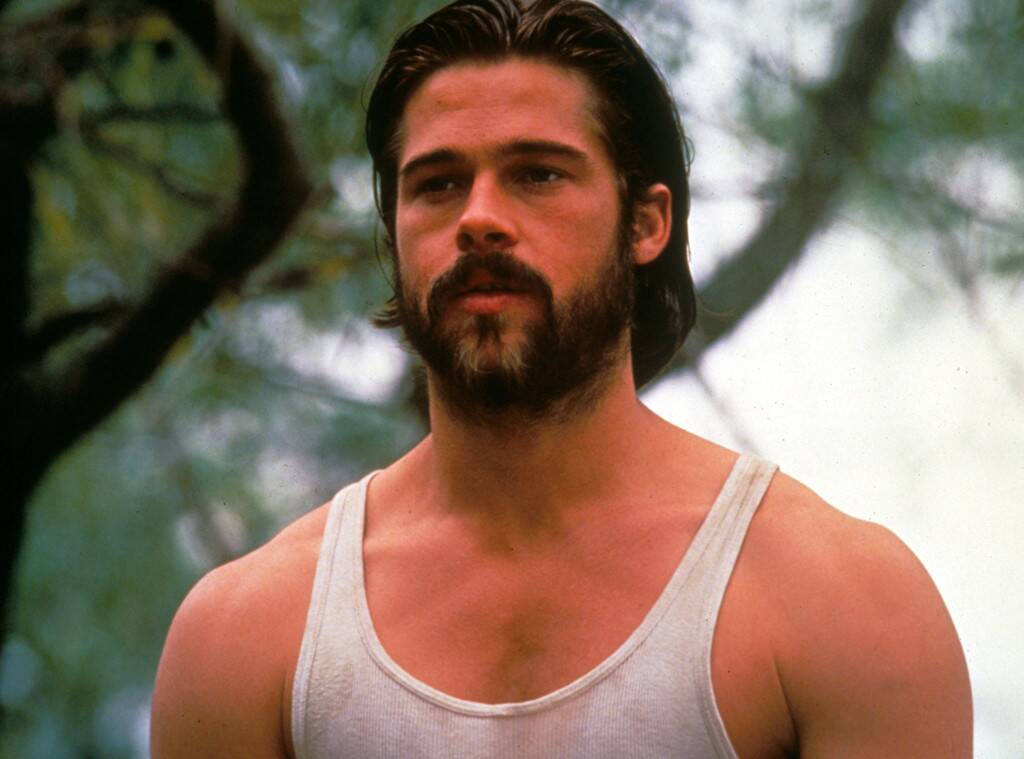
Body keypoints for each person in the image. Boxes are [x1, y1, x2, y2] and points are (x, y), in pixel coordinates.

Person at [150, 1, 972, 756]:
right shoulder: (249, 635)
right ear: (393, 231)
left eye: (538, 173)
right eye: (437, 184)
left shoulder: (841, 604)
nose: (478, 218)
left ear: (646, 223)